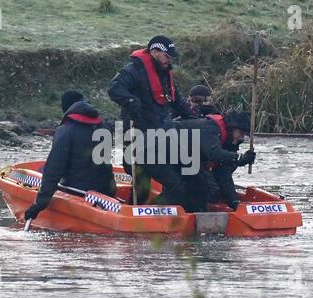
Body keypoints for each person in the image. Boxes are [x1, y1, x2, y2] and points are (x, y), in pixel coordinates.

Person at [107, 35, 194, 206]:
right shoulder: (132, 71)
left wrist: (192, 119)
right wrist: (132, 102)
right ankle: (139, 213)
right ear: (154, 52)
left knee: (170, 182)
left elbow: (178, 101)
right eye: (167, 56)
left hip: (158, 137)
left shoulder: (165, 75)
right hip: (134, 136)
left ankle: (154, 209)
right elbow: (114, 88)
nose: (170, 60)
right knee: (143, 186)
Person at [25, 100, 116, 221]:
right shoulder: (105, 129)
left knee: (44, 171)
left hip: (79, 191)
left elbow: (54, 170)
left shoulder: (66, 131)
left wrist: (39, 204)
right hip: (106, 190)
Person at [173, 110, 256, 211]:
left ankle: (197, 207)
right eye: (241, 133)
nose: (241, 138)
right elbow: (214, 154)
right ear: (232, 127)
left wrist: (234, 202)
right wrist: (238, 158)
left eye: (245, 135)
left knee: (214, 189)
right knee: (205, 187)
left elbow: (224, 173)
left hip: (191, 160)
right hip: (170, 153)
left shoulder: (229, 141)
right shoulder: (210, 128)